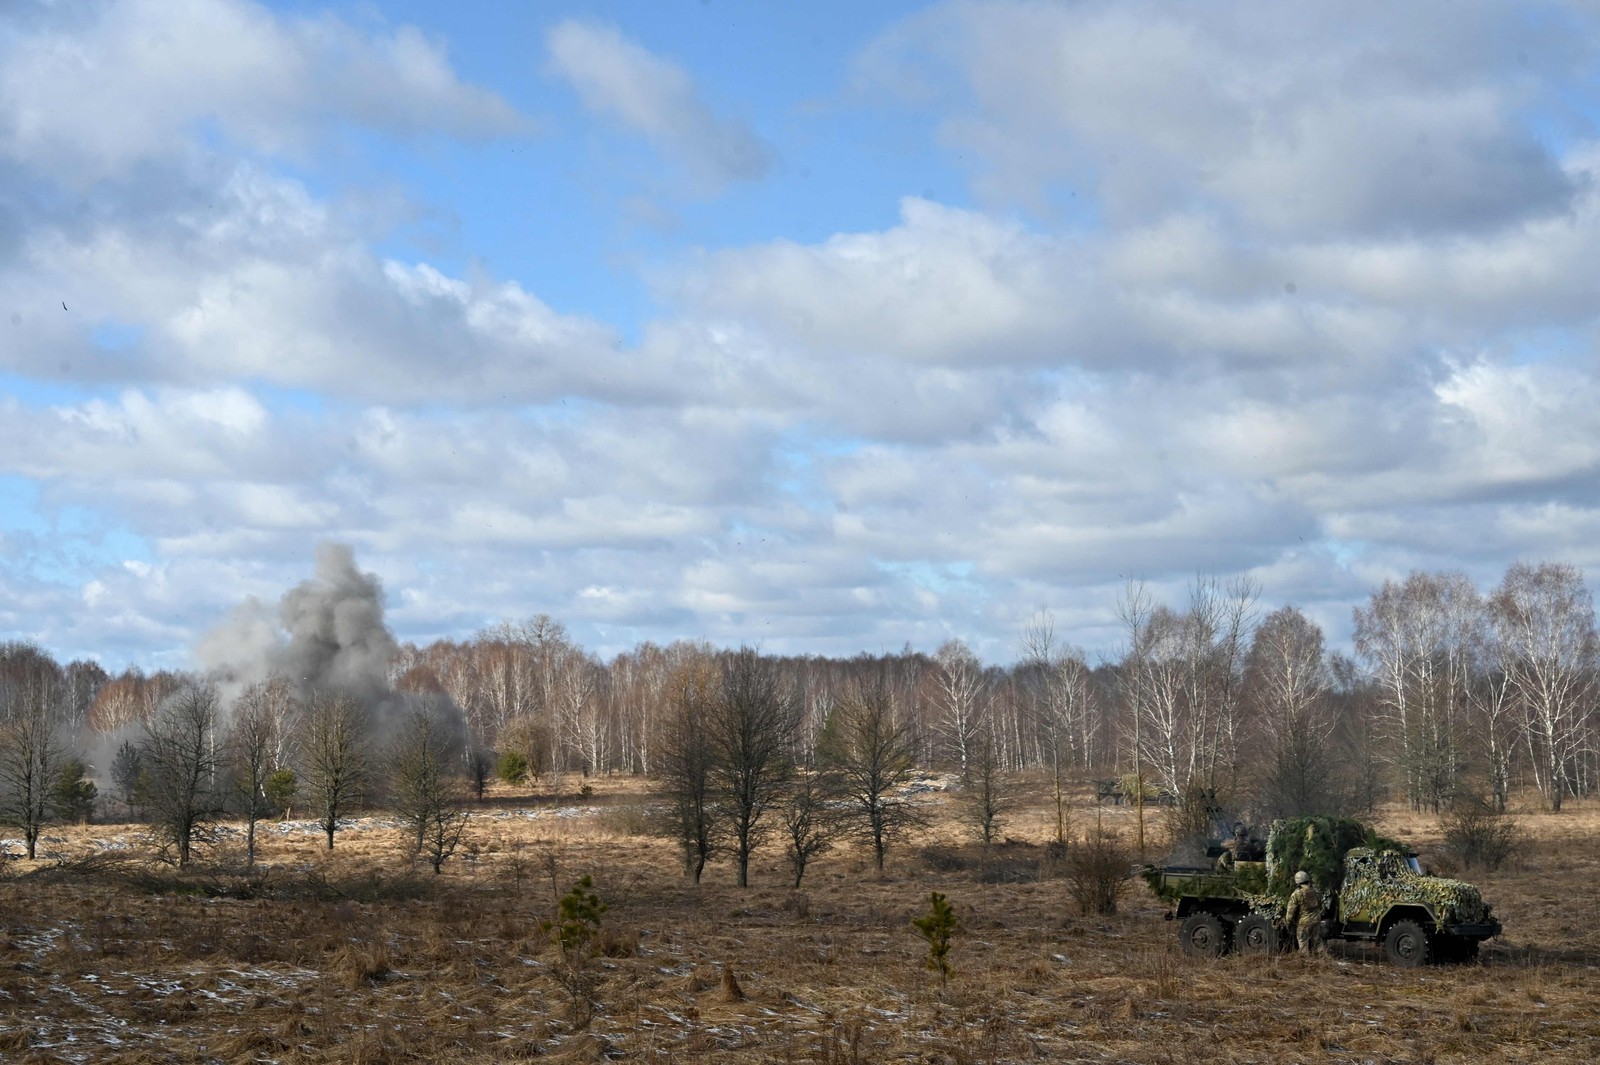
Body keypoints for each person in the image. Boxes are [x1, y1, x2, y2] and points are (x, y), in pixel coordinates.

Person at [1283, 870, 1323, 954]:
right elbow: (1320, 904)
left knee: (1303, 942)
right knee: (1318, 941)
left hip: (1304, 922)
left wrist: (1288, 922)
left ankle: (1305, 963)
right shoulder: (1316, 891)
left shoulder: (1297, 894)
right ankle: (1323, 960)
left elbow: (1290, 911)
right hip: (1316, 919)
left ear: (1297, 882)